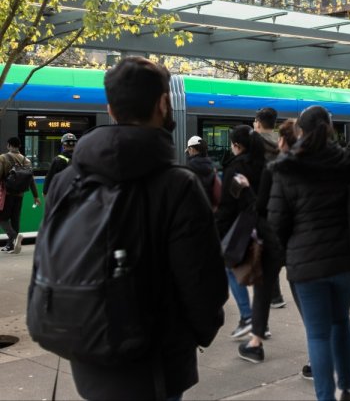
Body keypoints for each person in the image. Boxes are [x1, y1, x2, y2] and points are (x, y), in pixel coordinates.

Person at [41, 57, 227, 400]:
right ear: (162, 104)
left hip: (89, 353)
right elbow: (205, 284)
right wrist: (192, 335)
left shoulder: (65, 180)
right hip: (157, 362)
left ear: (110, 109)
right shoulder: (178, 185)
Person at [268, 105, 350, 401]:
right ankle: (347, 388)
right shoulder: (349, 162)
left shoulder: (286, 167)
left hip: (306, 266)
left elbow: (276, 223)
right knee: (341, 320)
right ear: (331, 128)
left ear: (300, 131)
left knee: (317, 334)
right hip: (347, 260)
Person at [238, 119, 298, 363]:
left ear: (283, 141)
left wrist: (245, 188)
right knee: (305, 295)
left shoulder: (274, 168)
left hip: (274, 239)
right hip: (301, 241)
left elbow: (260, 205)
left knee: (262, 290)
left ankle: (256, 341)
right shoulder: (309, 166)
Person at [215, 124, 266, 339]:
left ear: (236, 146)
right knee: (262, 274)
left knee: (230, 267)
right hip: (262, 226)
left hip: (239, 227)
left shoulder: (234, 168)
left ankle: (247, 315)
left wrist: (218, 230)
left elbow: (228, 205)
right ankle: (259, 321)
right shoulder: (264, 164)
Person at [253, 107, 286, 310]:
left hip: (261, 203)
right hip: (278, 202)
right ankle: (274, 295)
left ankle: (268, 302)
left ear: (257, 121)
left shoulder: (254, 143)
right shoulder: (281, 143)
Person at [0, 137, 40, 254]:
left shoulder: (3, 158)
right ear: (20, 146)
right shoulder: (27, 160)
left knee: (2, 217)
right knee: (15, 219)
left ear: (8, 145)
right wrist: (36, 196)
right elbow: (31, 180)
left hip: (6, 193)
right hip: (20, 194)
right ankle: (11, 245)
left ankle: (13, 236)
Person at [42, 133, 77, 197]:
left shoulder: (58, 159)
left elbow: (50, 176)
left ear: (63, 145)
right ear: (75, 145)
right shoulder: (80, 158)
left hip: (62, 192)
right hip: (77, 192)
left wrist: (45, 191)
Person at [186, 135, 216, 203]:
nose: (189, 153)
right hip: (208, 203)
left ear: (192, 149)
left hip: (194, 204)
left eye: (189, 150)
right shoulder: (211, 165)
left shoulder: (190, 166)